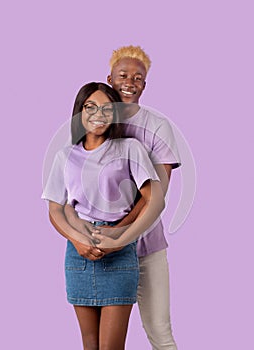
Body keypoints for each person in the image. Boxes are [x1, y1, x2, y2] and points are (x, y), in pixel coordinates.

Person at [65, 46, 181, 349]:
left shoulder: (157, 127)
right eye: (123, 75)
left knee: (158, 330)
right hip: (100, 251)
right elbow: (72, 196)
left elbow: (155, 196)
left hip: (146, 248)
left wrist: (117, 232)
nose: (130, 82)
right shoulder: (93, 128)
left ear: (145, 84)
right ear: (109, 79)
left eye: (138, 78)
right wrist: (83, 235)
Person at [42, 82, 165, 350]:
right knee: (89, 344)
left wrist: (121, 239)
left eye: (107, 108)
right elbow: (55, 209)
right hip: (79, 254)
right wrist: (76, 240)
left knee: (111, 347)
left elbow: (154, 201)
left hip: (120, 253)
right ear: (79, 111)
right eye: (90, 107)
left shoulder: (130, 148)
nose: (98, 114)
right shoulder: (65, 156)